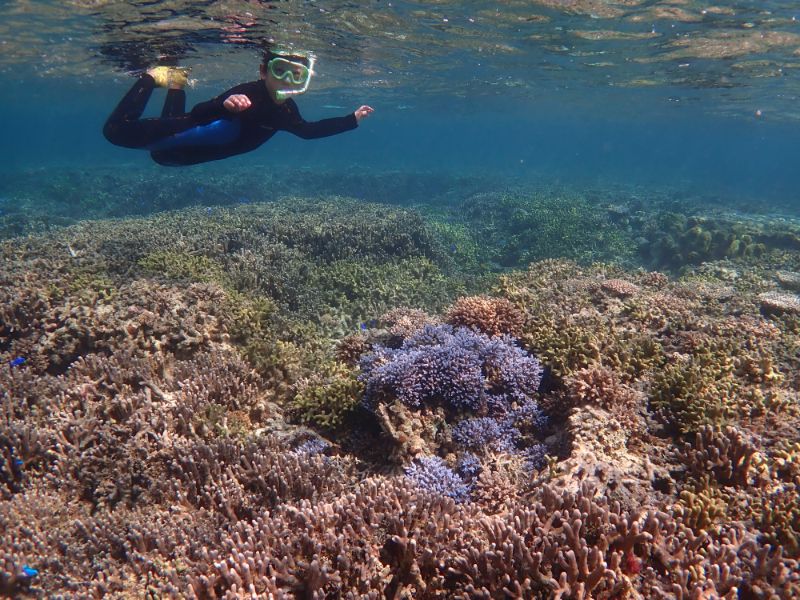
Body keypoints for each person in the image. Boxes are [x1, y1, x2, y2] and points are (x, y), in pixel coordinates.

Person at [103, 49, 374, 166]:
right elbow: (199, 113)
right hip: (184, 133)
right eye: (280, 70)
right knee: (115, 131)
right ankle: (152, 75)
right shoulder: (248, 92)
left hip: (181, 154)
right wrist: (226, 105)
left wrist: (351, 120)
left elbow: (308, 132)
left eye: (297, 75)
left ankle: (176, 81)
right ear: (263, 72)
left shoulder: (286, 111)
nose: (287, 80)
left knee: (160, 157)